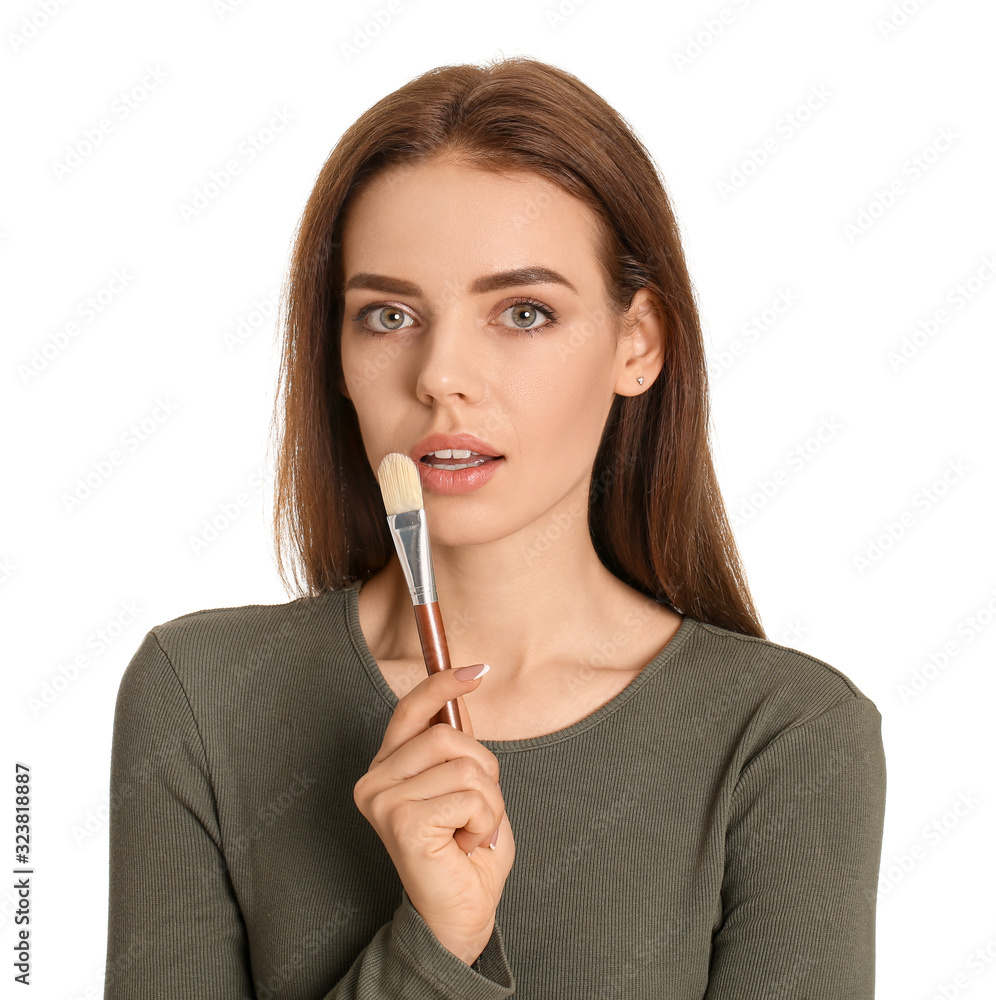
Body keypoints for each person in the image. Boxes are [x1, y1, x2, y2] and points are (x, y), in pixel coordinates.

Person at [102, 56, 887, 999]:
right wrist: (435, 941)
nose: (440, 375)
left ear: (637, 343)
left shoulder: (786, 738)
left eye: (523, 311)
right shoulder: (199, 697)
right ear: (337, 357)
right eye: (388, 314)